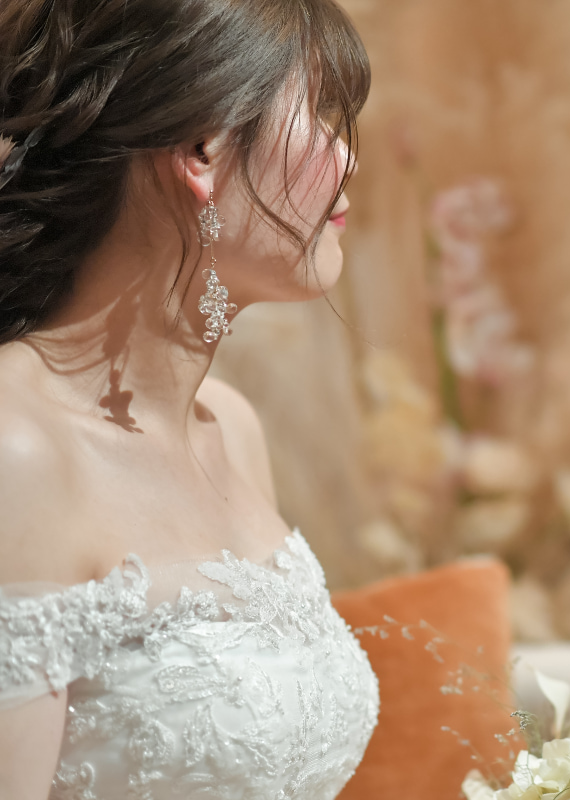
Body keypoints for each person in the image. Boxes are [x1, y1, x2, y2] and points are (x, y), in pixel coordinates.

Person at [0, 0, 378, 797]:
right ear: (203, 148)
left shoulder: (232, 430)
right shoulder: (16, 448)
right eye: (317, 112)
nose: (348, 161)